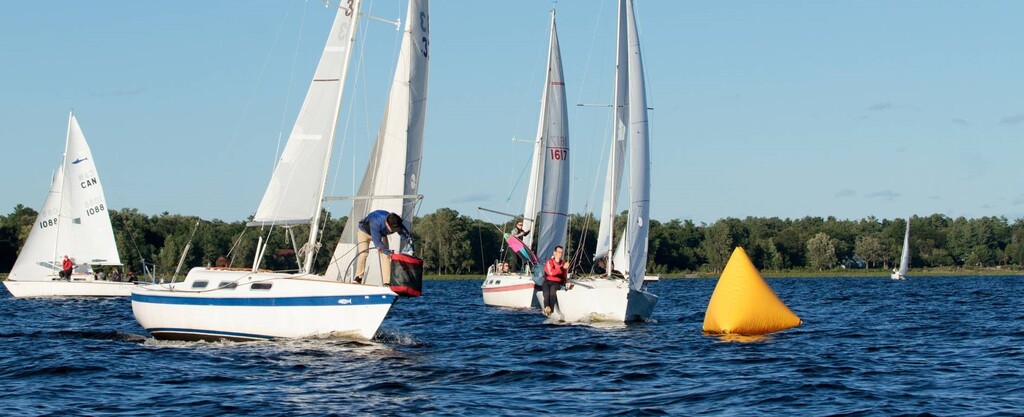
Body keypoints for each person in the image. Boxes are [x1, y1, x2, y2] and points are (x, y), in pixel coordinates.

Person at [356, 210, 412, 285]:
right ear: (387, 225)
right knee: (364, 254)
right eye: (394, 229)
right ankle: (358, 278)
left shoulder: (396, 222)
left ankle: (387, 282)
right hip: (364, 232)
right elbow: (378, 243)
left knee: (385, 256)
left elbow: (406, 238)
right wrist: (391, 254)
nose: (396, 230)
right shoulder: (375, 222)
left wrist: (409, 249)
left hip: (381, 234)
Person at [542, 245, 568, 316]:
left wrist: (566, 282)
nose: (560, 254)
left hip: (557, 282)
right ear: (555, 253)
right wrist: (562, 268)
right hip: (548, 281)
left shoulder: (563, 263)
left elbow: (564, 276)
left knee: (553, 289)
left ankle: (551, 310)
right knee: (546, 290)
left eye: (561, 252)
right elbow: (551, 272)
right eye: (559, 252)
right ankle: (546, 307)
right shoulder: (549, 262)